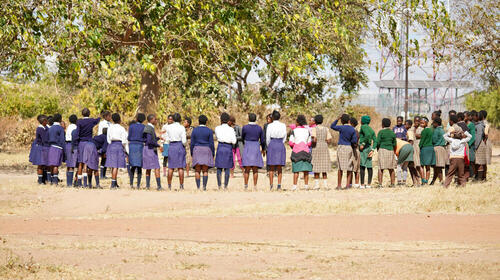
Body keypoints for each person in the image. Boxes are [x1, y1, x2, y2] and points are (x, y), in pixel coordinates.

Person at [330, 114, 357, 189]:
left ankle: (339, 185)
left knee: (340, 167)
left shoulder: (341, 127)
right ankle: (348, 185)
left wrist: (337, 119)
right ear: (349, 121)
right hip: (348, 147)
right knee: (349, 167)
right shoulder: (352, 129)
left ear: (341, 121)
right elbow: (354, 141)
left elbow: (332, 126)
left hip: (341, 147)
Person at [76, 108, 101, 187]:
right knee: (86, 163)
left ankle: (79, 182)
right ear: (89, 114)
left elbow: (77, 133)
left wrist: (76, 143)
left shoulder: (79, 121)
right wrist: (100, 116)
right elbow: (97, 120)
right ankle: (86, 183)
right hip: (89, 143)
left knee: (80, 163)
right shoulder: (91, 121)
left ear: (82, 114)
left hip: (81, 142)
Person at [190, 115, 215, 191]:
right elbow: (211, 143)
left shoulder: (195, 130)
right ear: (206, 122)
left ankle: (198, 187)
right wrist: (212, 153)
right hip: (206, 150)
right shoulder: (209, 131)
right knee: (205, 170)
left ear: (199, 121)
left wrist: (192, 153)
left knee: (197, 170)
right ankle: (204, 187)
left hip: (197, 149)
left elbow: (192, 143)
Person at [241, 113, 265, 190]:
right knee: (255, 169)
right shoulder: (259, 128)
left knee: (247, 169)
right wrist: (263, 149)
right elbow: (262, 140)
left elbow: (242, 137)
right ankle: (255, 186)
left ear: (248, 119)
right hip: (256, 146)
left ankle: (246, 186)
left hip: (248, 146)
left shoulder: (245, 127)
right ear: (255, 119)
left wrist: (245, 143)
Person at [289, 115, 313, 191]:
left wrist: (295, 147)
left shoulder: (294, 131)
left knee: (296, 170)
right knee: (306, 170)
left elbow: (290, 142)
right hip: (306, 152)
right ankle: (306, 186)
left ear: (298, 122)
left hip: (296, 152)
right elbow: (309, 143)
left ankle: (295, 186)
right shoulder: (307, 131)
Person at [214, 112, 237, 190]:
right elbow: (234, 141)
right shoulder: (231, 129)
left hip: (220, 147)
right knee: (227, 167)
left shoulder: (217, 128)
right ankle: (226, 186)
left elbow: (217, 137)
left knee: (219, 167)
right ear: (228, 120)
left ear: (221, 120)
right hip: (228, 147)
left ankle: (219, 185)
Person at [266, 110, 287, 190]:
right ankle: (279, 185)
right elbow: (285, 136)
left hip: (272, 143)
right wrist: (281, 143)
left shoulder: (270, 126)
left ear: (273, 117)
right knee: (279, 166)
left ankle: (271, 185)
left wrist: (269, 145)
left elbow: (268, 137)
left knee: (271, 166)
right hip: (280, 143)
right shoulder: (283, 125)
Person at [106, 113, 128, 189]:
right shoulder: (122, 128)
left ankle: (115, 183)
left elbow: (108, 139)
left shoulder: (110, 128)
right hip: (118, 145)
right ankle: (113, 184)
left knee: (113, 165)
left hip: (111, 145)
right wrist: (124, 148)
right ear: (119, 120)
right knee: (116, 166)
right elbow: (124, 141)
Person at [165, 113, 187, 190]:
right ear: (180, 119)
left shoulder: (168, 127)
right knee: (180, 167)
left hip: (171, 146)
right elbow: (184, 140)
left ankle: (169, 185)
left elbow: (167, 140)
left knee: (171, 167)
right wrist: (184, 145)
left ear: (173, 119)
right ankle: (181, 185)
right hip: (179, 145)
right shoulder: (182, 128)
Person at [311, 114, 332, 190]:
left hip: (317, 147)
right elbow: (329, 140)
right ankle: (325, 185)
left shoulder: (314, 129)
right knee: (324, 165)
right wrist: (324, 141)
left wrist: (312, 143)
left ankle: (316, 185)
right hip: (324, 146)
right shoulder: (326, 129)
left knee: (316, 165)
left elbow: (314, 139)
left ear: (315, 121)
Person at [143, 114, 163, 190]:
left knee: (148, 168)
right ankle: (159, 186)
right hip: (150, 149)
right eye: (155, 119)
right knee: (156, 167)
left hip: (148, 148)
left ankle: (148, 186)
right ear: (151, 120)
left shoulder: (149, 127)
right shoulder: (149, 128)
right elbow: (149, 141)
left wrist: (158, 138)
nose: (156, 121)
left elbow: (150, 140)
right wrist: (159, 146)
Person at [375, 118, 396, 187]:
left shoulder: (381, 132)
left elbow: (377, 142)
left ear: (382, 124)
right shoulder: (392, 132)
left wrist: (377, 149)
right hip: (390, 150)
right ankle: (393, 183)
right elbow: (394, 143)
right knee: (391, 168)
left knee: (381, 168)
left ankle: (380, 184)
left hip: (382, 150)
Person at [128, 113, 146, 189]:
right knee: (139, 166)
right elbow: (145, 138)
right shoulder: (143, 127)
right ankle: (138, 184)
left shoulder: (131, 126)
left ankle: (131, 184)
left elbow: (128, 137)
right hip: (139, 146)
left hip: (132, 145)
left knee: (132, 165)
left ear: (136, 118)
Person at [29, 115, 49, 184]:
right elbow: (44, 139)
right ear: (43, 121)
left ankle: (43, 179)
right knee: (40, 164)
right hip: (40, 148)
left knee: (43, 164)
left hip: (42, 147)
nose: (47, 122)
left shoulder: (44, 127)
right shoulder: (40, 129)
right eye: (46, 121)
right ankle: (40, 181)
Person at [47, 114, 65, 185]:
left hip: (51, 147)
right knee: (55, 165)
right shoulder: (60, 128)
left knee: (51, 164)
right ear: (60, 119)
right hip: (58, 147)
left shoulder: (50, 128)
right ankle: (55, 181)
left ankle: (51, 180)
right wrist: (64, 150)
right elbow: (62, 140)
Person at [358, 115, 376, 189]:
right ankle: (369, 184)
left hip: (364, 148)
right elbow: (375, 140)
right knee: (369, 166)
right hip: (369, 148)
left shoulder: (363, 127)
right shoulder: (371, 129)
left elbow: (367, 135)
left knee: (362, 165)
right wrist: (373, 149)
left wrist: (363, 144)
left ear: (363, 121)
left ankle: (362, 184)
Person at [419, 117, 435, 184]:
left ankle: (423, 180)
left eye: (422, 123)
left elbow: (422, 141)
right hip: (431, 148)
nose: (421, 124)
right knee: (428, 166)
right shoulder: (431, 130)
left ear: (426, 123)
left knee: (421, 165)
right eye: (421, 123)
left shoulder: (424, 131)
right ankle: (427, 180)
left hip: (425, 149)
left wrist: (419, 147)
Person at [430, 117, 446, 185]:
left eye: (433, 123)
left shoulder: (436, 130)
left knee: (438, 166)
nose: (432, 124)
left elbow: (434, 140)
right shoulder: (442, 130)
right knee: (437, 167)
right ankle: (433, 181)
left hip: (437, 148)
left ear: (436, 123)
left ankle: (441, 181)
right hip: (442, 148)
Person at [393, 116, 408, 185]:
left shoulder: (404, 128)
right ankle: (399, 181)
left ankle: (404, 181)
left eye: (400, 121)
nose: (398, 122)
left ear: (402, 121)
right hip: (396, 148)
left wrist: (402, 138)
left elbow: (406, 136)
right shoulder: (394, 128)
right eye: (397, 121)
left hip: (403, 146)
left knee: (404, 166)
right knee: (398, 165)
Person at [64, 115, 78, 187]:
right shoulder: (75, 127)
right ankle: (73, 183)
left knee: (69, 164)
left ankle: (68, 182)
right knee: (73, 165)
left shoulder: (69, 127)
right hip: (73, 145)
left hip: (67, 145)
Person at [98, 110, 112, 179]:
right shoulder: (102, 123)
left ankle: (104, 174)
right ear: (106, 116)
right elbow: (100, 133)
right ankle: (101, 174)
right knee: (103, 157)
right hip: (103, 141)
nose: (110, 117)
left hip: (109, 141)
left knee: (106, 158)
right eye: (109, 116)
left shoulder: (111, 124)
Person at [474, 110, 487, 181]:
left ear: (478, 117)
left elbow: (479, 137)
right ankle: (478, 177)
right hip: (478, 144)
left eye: (475, 116)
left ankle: (479, 179)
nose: (474, 118)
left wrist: (475, 146)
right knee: (477, 162)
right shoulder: (478, 125)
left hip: (479, 145)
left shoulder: (479, 126)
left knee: (480, 163)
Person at [465, 111, 477, 180]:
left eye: (465, 116)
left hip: (470, 146)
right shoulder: (464, 124)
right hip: (464, 145)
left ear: (469, 117)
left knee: (471, 161)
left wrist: (468, 144)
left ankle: (473, 175)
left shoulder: (471, 125)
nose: (464, 118)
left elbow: (473, 136)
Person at [350, 117, 361, 188]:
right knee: (355, 168)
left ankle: (355, 183)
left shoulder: (354, 131)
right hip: (355, 149)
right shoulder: (356, 131)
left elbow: (354, 142)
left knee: (354, 168)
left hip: (354, 149)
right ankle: (354, 183)